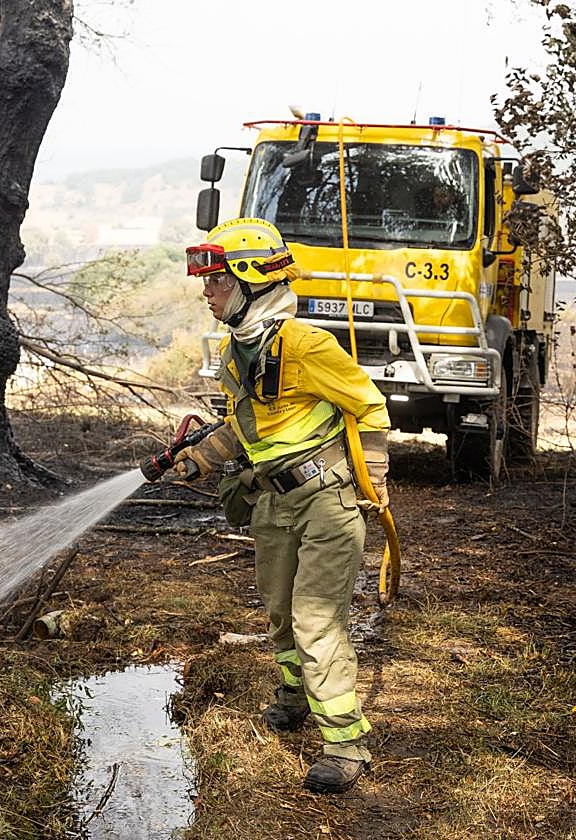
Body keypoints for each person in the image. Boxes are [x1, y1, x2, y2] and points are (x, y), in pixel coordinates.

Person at [167, 217, 390, 794]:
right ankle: (293, 694)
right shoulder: (238, 354)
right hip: (273, 501)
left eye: (216, 281)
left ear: (250, 281)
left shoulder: (307, 345)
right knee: (279, 612)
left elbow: (369, 405)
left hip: (326, 501)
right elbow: (246, 427)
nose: (207, 292)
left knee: (316, 620)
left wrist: (376, 476)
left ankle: (345, 742)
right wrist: (200, 459)